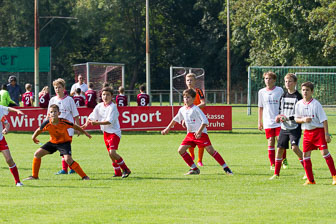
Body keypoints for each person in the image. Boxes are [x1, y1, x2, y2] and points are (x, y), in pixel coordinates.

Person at [161, 89, 233, 175]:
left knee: (210, 150)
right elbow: (175, 119)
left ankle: (226, 168)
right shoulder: (182, 109)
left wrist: (199, 132)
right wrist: (167, 128)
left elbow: (205, 121)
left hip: (201, 133)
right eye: (184, 97)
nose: (186, 99)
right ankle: (194, 168)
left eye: (188, 97)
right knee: (181, 150)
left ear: (193, 98)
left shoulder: (196, 109)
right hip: (190, 134)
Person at [24, 104, 91, 181]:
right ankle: (35, 176)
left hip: (64, 143)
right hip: (53, 143)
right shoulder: (47, 123)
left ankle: (84, 176)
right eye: (51, 112)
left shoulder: (64, 122)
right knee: (37, 154)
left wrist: (85, 133)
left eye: (55, 111)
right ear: (49, 114)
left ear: (59, 113)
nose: (53, 113)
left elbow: (75, 126)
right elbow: (39, 129)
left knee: (68, 159)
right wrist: (33, 137)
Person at [82, 87, 131, 178]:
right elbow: (92, 116)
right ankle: (117, 172)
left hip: (114, 132)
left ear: (112, 96)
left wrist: (97, 123)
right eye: (104, 94)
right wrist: (85, 124)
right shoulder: (99, 106)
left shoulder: (113, 107)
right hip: (105, 133)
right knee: (110, 154)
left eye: (108, 94)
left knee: (112, 152)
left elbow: (109, 121)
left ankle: (125, 169)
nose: (105, 96)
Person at [295, 82, 336, 185]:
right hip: (307, 133)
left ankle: (334, 177)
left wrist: (327, 134)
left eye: (307, 90)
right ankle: (311, 180)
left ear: (312, 92)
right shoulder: (299, 104)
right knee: (305, 155)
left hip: (318, 132)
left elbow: (324, 120)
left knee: (324, 153)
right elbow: (296, 119)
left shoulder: (316, 104)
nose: (305, 92)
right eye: (303, 90)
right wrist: (303, 119)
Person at [269, 73, 304, 180]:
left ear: (295, 83)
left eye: (290, 81)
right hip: (284, 128)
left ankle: (308, 171)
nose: (287, 84)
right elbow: (280, 111)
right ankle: (276, 174)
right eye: (286, 81)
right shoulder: (283, 96)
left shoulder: (298, 96)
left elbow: (300, 114)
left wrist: (288, 118)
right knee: (279, 149)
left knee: (295, 148)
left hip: (294, 128)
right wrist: (278, 116)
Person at [48, 78, 80, 175]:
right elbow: (48, 115)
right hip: (56, 129)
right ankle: (71, 168)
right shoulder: (52, 100)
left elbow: (75, 114)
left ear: (64, 88)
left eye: (59, 87)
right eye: (55, 88)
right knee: (63, 149)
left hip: (68, 129)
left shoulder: (69, 100)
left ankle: (65, 169)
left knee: (64, 148)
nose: (57, 89)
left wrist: (78, 128)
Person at [258, 71, 286, 170]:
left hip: (279, 120)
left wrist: (283, 115)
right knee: (270, 141)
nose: (268, 80)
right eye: (266, 78)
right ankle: (272, 164)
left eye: (270, 78)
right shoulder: (261, 92)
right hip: (267, 121)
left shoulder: (279, 90)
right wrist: (259, 122)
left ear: (274, 80)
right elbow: (260, 107)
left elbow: (284, 104)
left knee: (280, 140)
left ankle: (283, 159)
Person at [185, 73, 206, 167]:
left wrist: (194, 108)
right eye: (188, 80)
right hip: (189, 118)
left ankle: (199, 160)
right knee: (190, 138)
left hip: (198, 118)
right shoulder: (185, 92)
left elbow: (203, 103)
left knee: (200, 139)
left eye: (191, 80)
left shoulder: (199, 91)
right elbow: (185, 106)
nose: (189, 82)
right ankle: (192, 155)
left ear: (195, 81)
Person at [0, 106, 24, 186]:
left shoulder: (0, 109)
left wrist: (6, 129)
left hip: (1, 140)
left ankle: (18, 182)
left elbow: (6, 123)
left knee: (9, 159)